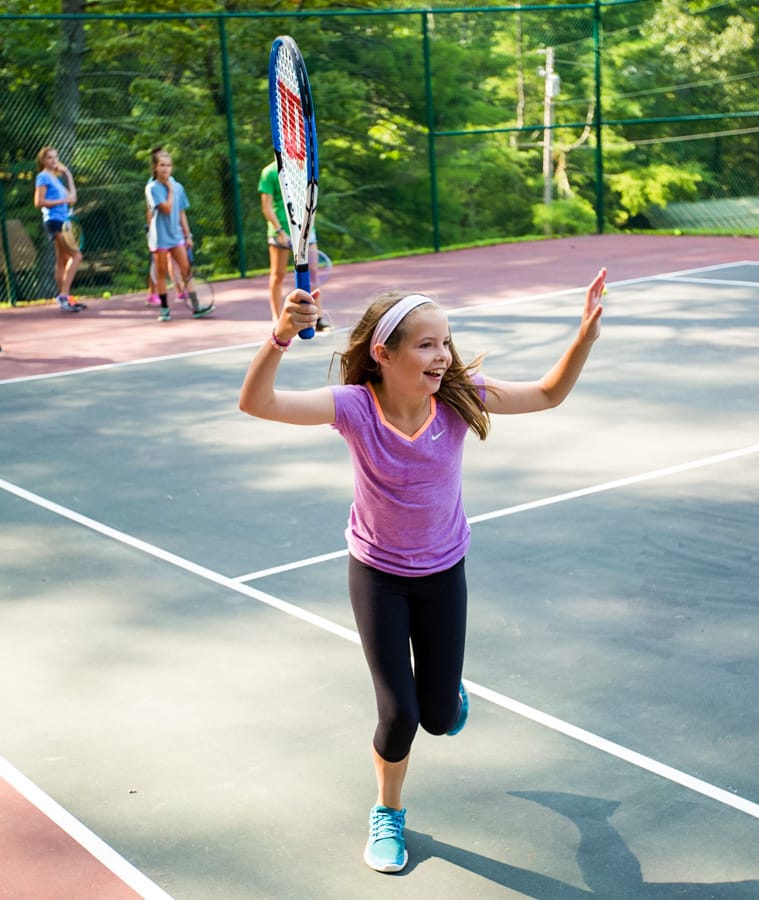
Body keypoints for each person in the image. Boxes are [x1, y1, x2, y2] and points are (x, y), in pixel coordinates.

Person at [238, 268, 607, 874]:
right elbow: (258, 403)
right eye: (427, 344)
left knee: (438, 717)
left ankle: (445, 691)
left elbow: (547, 394)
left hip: (442, 571)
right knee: (399, 713)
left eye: (446, 342)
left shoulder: (460, 398)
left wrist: (585, 337)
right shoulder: (356, 408)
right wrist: (279, 337)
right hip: (378, 573)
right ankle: (388, 813)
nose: (443, 355)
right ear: (383, 354)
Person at [145, 147, 214, 322]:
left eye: (168, 165)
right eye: (162, 165)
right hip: (159, 238)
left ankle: (196, 306)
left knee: (186, 270)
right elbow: (167, 209)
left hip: (176, 237)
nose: (165, 168)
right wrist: (169, 190)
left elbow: (181, 212)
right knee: (161, 273)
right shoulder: (152, 188)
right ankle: (165, 309)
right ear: (155, 167)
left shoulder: (178, 187)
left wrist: (187, 235)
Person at [258, 160, 326, 329]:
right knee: (278, 274)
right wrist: (280, 231)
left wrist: (308, 226)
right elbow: (267, 208)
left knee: (313, 273)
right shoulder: (270, 172)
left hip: (306, 230)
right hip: (281, 231)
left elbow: (310, 200)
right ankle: (276, 317)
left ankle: (317, 318)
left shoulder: (303, 169)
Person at [33, 146, 85, 313]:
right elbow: (38, 202)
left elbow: (73, 198)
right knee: (76, 256)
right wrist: (61, 201)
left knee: (62, 259)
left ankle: (65, 297)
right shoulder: (42, 177)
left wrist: (68, 175)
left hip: (64, 222)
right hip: (53, 221)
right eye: (49, 157)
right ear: (43, 160)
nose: (53, 160)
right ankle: (64, 295)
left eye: (55, 157)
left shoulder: (57, 179)